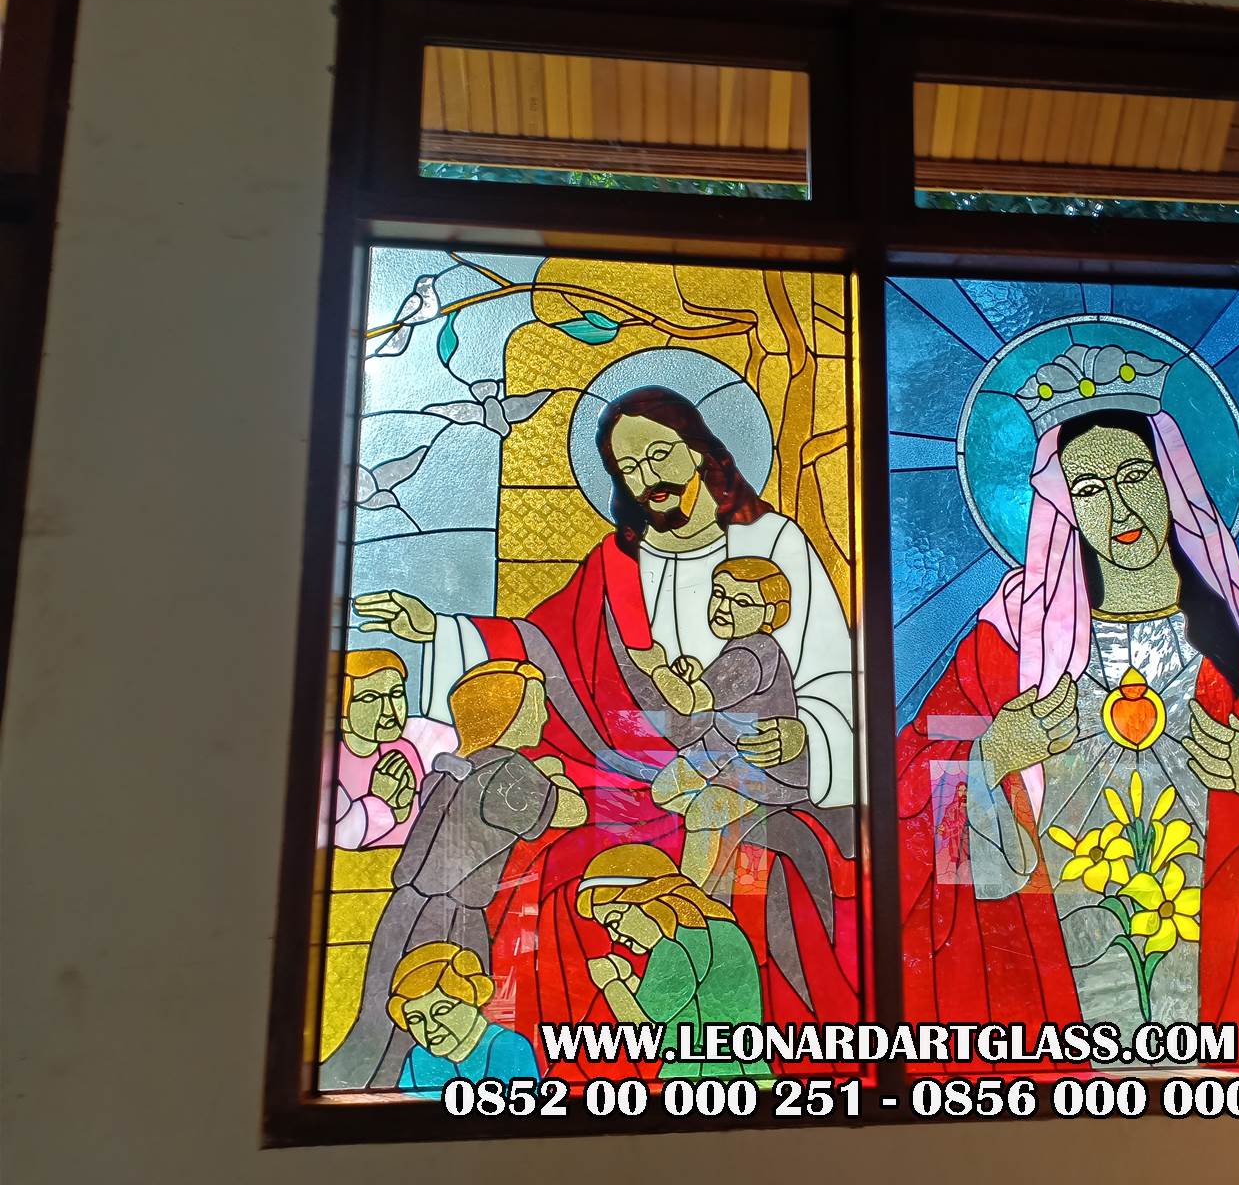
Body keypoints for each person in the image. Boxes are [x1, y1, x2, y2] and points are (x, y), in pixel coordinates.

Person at [898, 344, 1239, 1068]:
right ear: (1065, 508)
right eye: (1089, 489)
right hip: (1051, 1000)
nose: (1120, 508)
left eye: (1134, 476)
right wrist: (994, 754)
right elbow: (917, 823)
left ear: (1171, 481)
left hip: (1227, 993)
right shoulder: (1008, 650)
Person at [353, 385, 859, 1072]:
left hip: (756, 774)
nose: (649, 476)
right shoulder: (616, 563)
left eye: (660, 454)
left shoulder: (772, 545)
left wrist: (808, 736)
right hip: (625, 777)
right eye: (630, 467)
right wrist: (442, 631)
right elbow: (542, 644)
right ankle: (558, 1070)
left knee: (762, 869)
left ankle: (758, 1052)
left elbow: (831, 674)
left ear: (700, 451)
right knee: (542, 873)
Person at [320, 660, 586, 1090]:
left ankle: (360, 1089)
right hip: (450, 919)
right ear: (508, 713)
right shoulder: (508, 770)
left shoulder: (456, 766)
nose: (542, 717)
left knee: (383, 1027)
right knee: (440, 1023)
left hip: (405, 910)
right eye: (535, 705)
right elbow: (575, 810)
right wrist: (553, 776)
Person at [642, 556, 806, 887]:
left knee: (702, 813)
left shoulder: (753, 653)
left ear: (769, 614)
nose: (725, 607)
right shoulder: (742, 645)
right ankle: (721, 828)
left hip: (763, 767)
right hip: (723, 748)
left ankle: (689, 894)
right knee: (663, 791)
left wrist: (655, 666)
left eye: (742, 602)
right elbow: (718, 693)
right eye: (719, 594)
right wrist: (693, 674)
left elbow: (690, 702)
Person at [576, 845, 769, 1079]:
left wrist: (611, 984)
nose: (614, 937)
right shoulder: (722, 930)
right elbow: (681, 1011)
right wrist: (630, 979)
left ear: (646, 898)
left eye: (614, 921)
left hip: (698, 1080)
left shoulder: (676, 945)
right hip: (748, 1074)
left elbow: (648, 1038)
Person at [334, 649, 453, 850]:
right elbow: (340, 839)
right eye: (370, 698)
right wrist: (380, 800)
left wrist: (404, 809)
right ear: (343, 712)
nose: (389, 710)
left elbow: (419, 826)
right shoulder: (329, 763)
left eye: (396, 693)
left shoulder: (404, 749)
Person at [389, 942, 540, 1098]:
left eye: (442, 1010)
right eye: (415, 1019)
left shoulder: (508, 1046)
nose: (430, 1027)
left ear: (473, 998)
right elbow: (405, 1108)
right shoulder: (419, 1057)